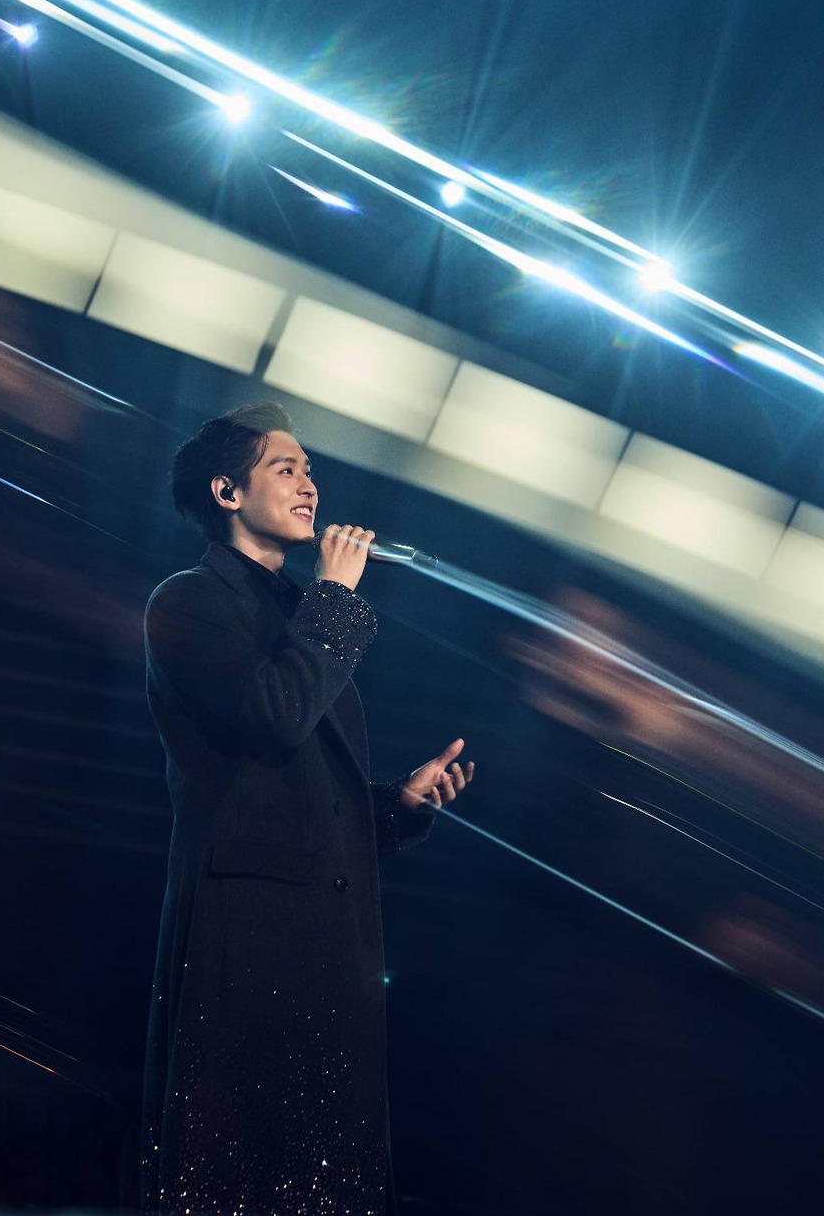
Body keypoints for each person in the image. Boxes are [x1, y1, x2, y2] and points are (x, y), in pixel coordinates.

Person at [139, 402, 473, 1216]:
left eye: (310, 471)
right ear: (227, 492)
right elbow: (276, 714)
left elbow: (298, 789)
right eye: (284, 469)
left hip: (326, 942)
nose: (309, 486)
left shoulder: (298, 611)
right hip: (249, 939)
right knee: (247, 1168)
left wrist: (396, 803)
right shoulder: (188, 601)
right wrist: (333, 594)